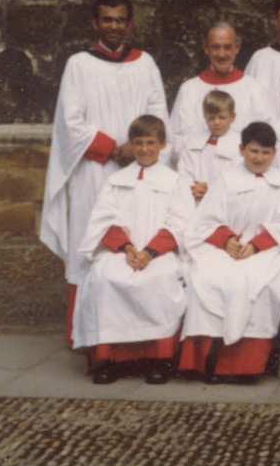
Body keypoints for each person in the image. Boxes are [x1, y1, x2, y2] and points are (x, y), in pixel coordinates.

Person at [40, 0, 169, 345]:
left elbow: (157, 113)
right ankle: (87, 334)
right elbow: (70, 122)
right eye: (107, 20)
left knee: (138, 239)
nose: (114, 26)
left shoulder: (145, 64)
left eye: (120, 19)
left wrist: (139, 146)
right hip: (94, 171)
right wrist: (113, 148)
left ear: (130, 23)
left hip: (138, 168)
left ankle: (137, 335)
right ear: (94, 23)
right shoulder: (79, 64)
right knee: (93, 242)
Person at [71, 115, 193, 385]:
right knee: (105, 278)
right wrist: (127, 249)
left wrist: (149, 252)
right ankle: (111, 360)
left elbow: (180, 224)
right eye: (138, 143)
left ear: (163, 144)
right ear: (131, 145)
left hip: (160, 253)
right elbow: (103, 221)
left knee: (158, 279)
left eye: (151, 142)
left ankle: (158, 360)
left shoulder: (175, 182)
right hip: (121, 251)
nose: (144, 149)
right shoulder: (116, 180)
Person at [178, 122, 280, 384]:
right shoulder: (225, 181)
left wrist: (255, 245)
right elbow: (204, 221)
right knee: (206, 279)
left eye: (266, 153)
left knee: (263, 284)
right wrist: (227, 240)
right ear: (242, 149)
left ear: (274, 153)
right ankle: (207, 362)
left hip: (266, 249)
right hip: (226, 248)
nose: (259, 158)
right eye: (253, 151)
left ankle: (243, 365)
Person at [169, 22, 269, 166]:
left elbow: (264, 137)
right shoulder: (189, 90)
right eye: (216, 47)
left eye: (227, 47)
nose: (222, 54)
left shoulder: (253, 88)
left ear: (237, 47)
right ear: (206, 48)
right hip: (198, 175)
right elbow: (177, 140)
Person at [176, 90, 241, 203]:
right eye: (211, 117)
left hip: (226, 205)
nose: (216, 122)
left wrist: (211, 193)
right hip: (194, 202)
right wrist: (194, 189)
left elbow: (237, 179)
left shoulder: (239, 146)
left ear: (232, 117)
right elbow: (184, 174)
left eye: (222, 117)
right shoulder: (193, 144)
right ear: (204, 117)